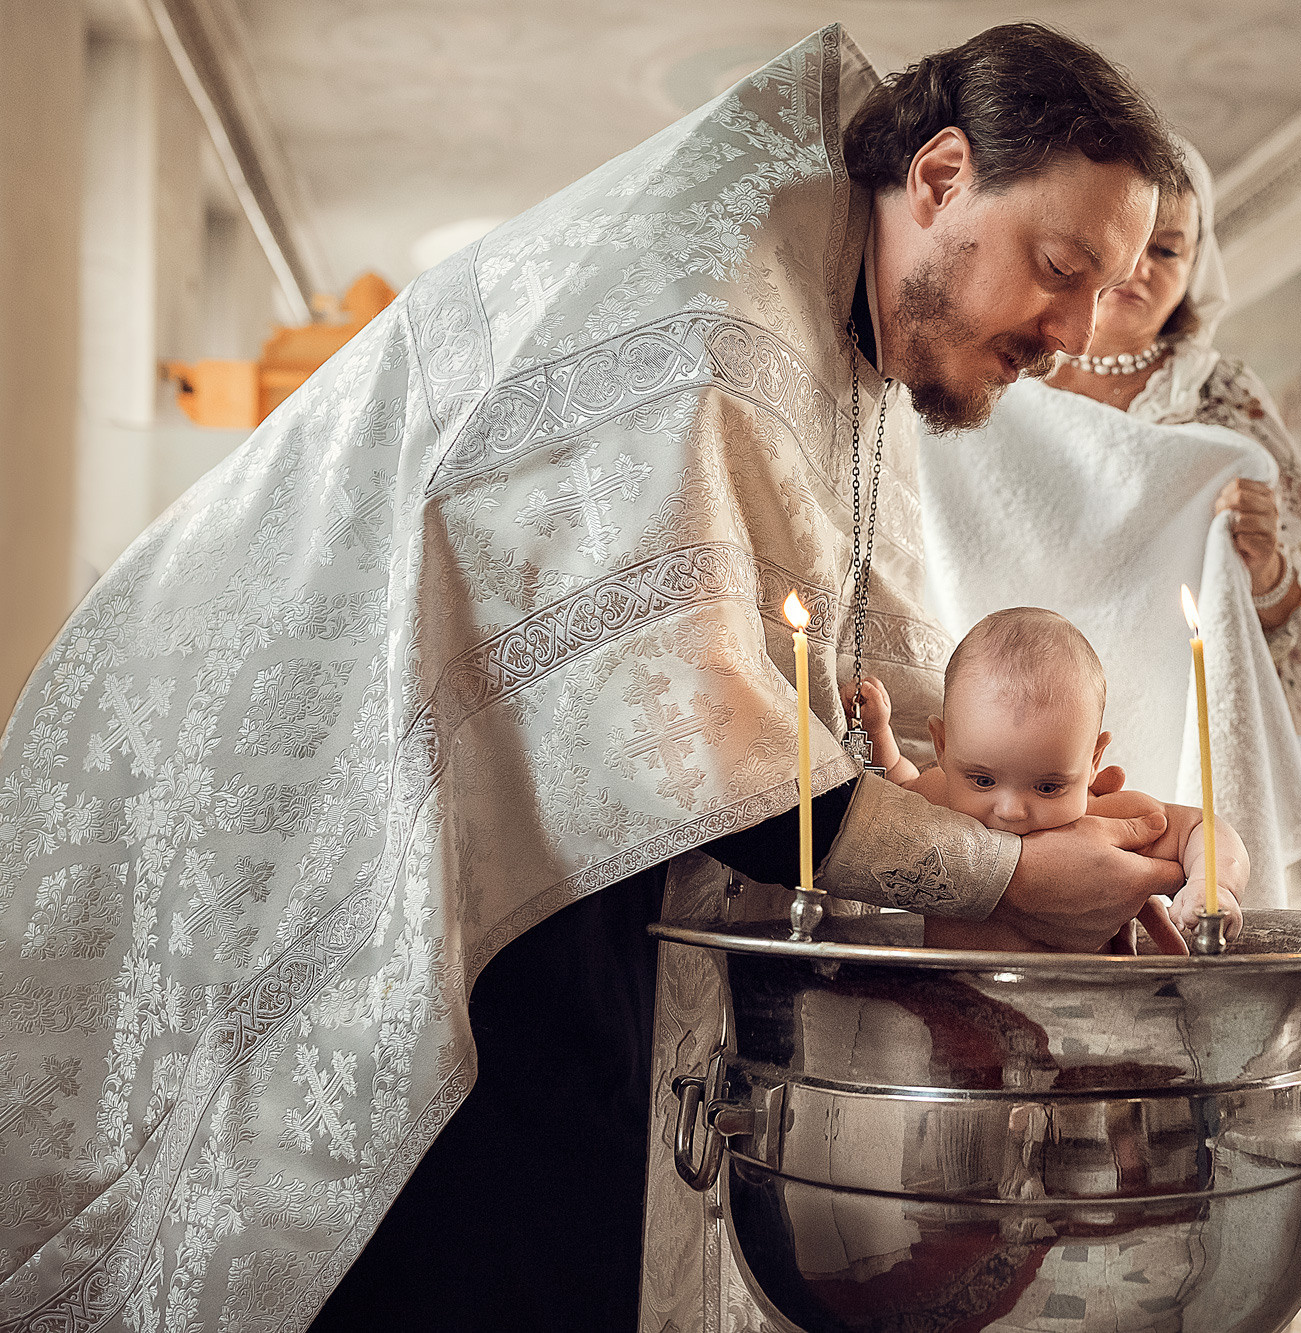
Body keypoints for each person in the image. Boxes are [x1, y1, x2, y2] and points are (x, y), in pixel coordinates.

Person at [0, 24, 1188, 1332]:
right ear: (943, 176)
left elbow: (852, 688)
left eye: (1106, 295)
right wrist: (1007, 877)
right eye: (1063, 268)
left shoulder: (836, 304)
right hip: (390, 855)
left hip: (556, 872)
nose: (1075, 335)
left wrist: (1043, 814)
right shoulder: (704, 316)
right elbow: (696, 745)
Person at [921, 140, 1301, 905]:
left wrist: (1268, 571)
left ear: (1199, 263)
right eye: (1133, 244)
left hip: (1171, 735)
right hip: (993, 749)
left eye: (1172, 249)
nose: (1145, 269)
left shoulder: (1225, 401)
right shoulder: (1005, 359)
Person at [855, 607, 1246, 953]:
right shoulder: (940, 796)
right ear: (942, 746)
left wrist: (1213, 884)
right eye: (982, 780)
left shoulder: (1112, 819)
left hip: (1078, 1014)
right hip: (954, 1007)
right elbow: (900, 791)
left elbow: (1202, 827)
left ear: (1093, 760)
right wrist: (880, 737)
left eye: (1047, 787)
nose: (1010, 810)